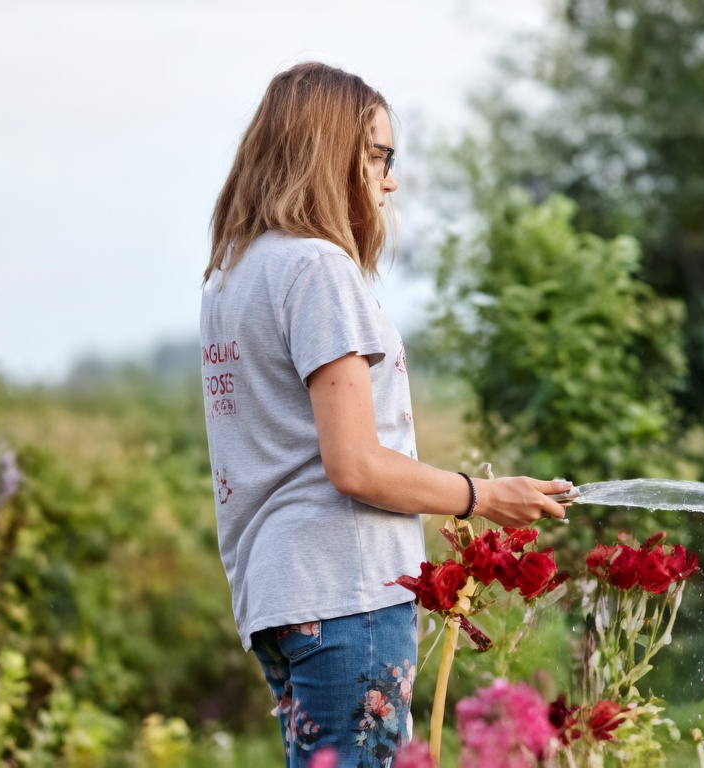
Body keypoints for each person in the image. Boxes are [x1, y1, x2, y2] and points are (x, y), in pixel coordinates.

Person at [199, 62, 572, 767]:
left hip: (279, 593)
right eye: (379, 156)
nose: (389, 181)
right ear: (331, 152)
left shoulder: (232, 276)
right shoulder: (316, 269)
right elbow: (356, 465)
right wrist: (485, 496)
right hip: (346, 590)